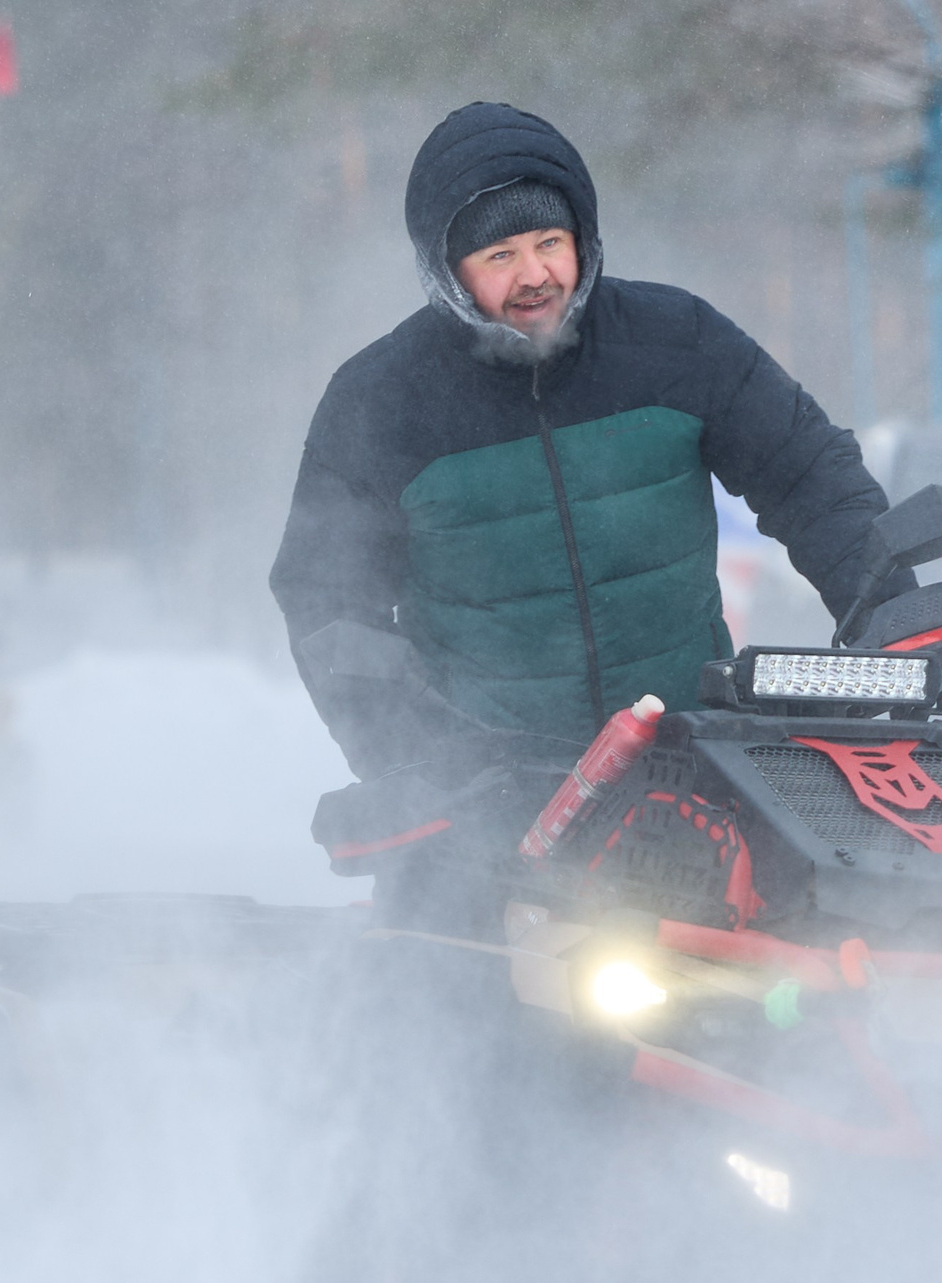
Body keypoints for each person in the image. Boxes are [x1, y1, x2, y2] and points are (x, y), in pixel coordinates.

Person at [270, 100, 902, 791]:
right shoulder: (382, 400)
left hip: (686, 770)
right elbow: (327, 597)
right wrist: (412, 762)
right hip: (481, 797)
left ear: (583, 238)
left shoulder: (677, 342)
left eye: (549, 242)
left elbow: (809, 474)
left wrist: (890, 609)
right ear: (448, 272)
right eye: (499, 256)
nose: (534, 275)